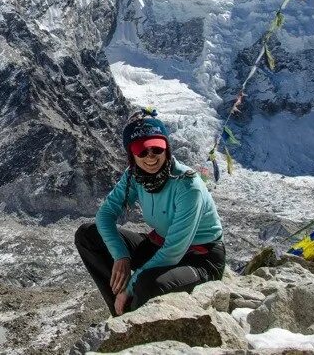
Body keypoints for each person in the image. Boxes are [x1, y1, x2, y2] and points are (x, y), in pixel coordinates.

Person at [74, 108, 225, 316]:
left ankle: (130, 314)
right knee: (88, 235)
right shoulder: (134, 176)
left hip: (200, 259)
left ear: (167, 149)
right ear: (132, 155)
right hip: (160, 245)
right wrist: (121, 257)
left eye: (157, 149)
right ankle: (121, 313)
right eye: (142, 151)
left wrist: (131, 285)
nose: (151, 157)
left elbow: (173, 252)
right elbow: (105, 215)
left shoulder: (188, 185)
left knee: (146, 284)